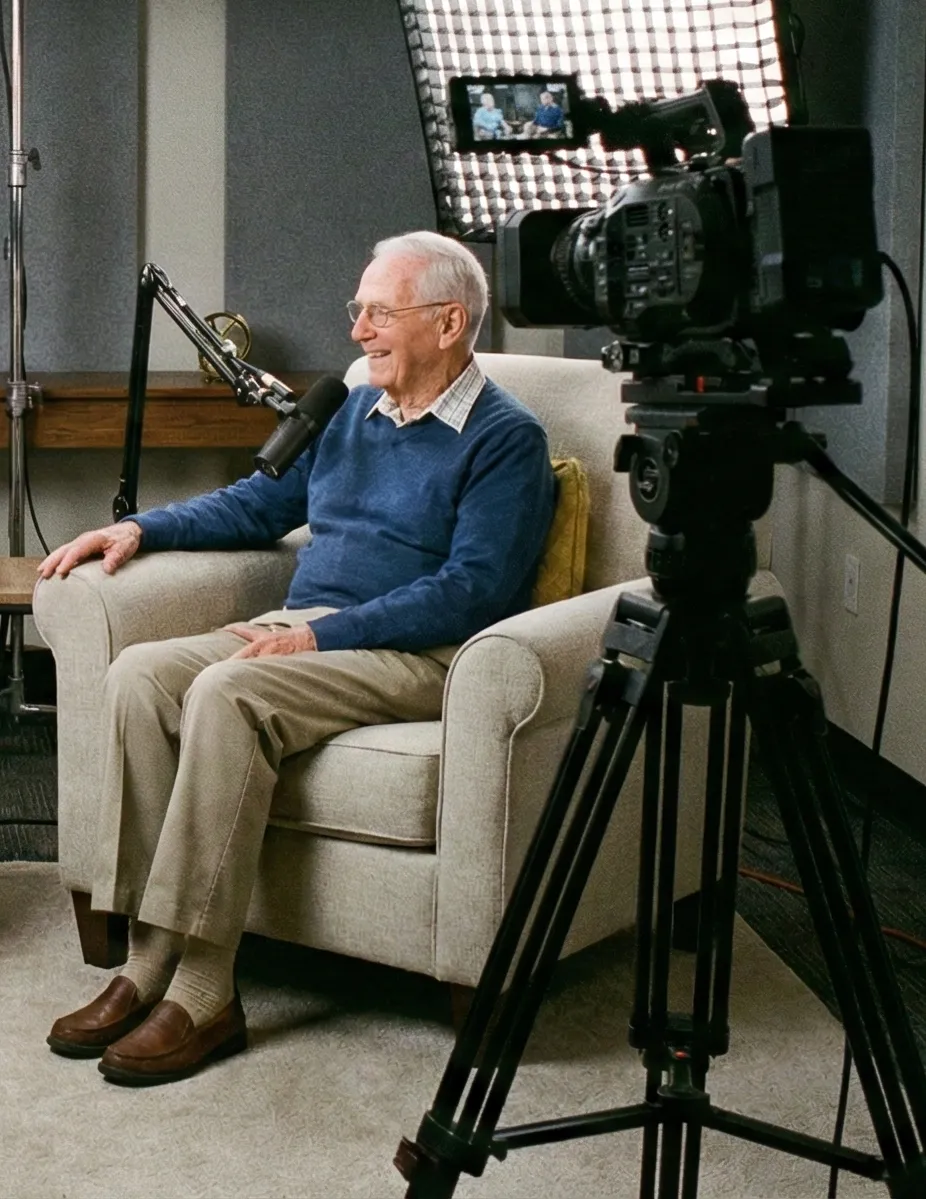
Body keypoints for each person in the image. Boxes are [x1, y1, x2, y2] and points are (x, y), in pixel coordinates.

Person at [40, 231, 556, 1086]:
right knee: (136, 677)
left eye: (379, 311)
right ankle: (144, 956)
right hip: (308, 625)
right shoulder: (352, 410)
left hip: (418, 652)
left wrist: (318, 634)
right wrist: (140, 526)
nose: (357, 331)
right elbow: (261, 504)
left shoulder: (506, 439)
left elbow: (474, 592)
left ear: (449, 321)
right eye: (359, 310)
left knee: (230, 693)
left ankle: (206, 989)